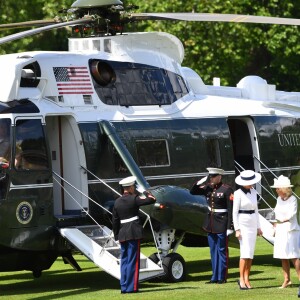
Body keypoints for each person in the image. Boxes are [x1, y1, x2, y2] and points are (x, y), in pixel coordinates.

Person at [112, 175, 156, 294]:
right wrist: (145, 192)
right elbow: (152, 199)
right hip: (133, 232)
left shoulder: (117, 202)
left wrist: (116, 236)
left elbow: (115, 221)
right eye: (133, 187)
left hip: (122, 233)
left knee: (124, 261)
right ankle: (132, 287)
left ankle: (124, 287)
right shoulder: (134, 198)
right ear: (131, 188)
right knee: (133, 261)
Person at [190, 167, 234, 284]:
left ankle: (222, 277)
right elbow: (193, 192)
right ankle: (214, 276)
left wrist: (230, 226)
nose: (212, 178)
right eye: (210, 176)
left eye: (214, 176)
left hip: (222, 223)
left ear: (220, 176)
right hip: (210, 223)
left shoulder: (227, 189)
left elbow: (230, 209)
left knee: (222, 251)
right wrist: (198, 183)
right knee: (213, 251)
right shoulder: (208, 188)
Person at [233, 170, 263, 290]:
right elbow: (234, 212)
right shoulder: (238, 193)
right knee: (244, 253)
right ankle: (241, 279)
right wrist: (237, 229)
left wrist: (259, 227)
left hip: (252, 222)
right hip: (243, 223)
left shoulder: (253, 192)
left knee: (250, 254)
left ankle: (247, 278)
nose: (252, 184)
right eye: (250, 182)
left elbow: (256, 210)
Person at [270, 175, 300, 289]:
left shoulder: (293, 199)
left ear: (283, 189)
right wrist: (275, 223)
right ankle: (287, 280)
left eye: (278, 188)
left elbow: (292, 214)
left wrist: (282, 220)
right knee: (283, 255)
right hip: (281, 229)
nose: (276, 190)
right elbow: (276, 212)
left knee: (294, 255)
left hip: (291, 229)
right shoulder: (278, 199)